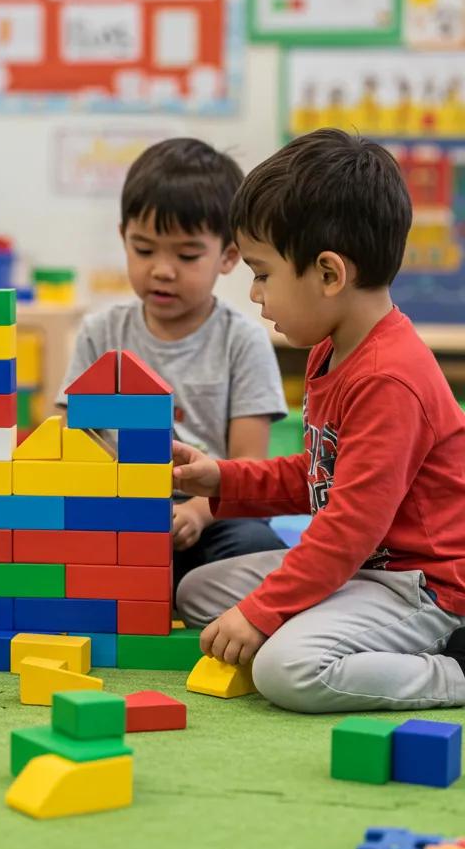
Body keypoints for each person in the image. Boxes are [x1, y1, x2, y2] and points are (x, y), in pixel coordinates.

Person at [174, 129, 465, 713]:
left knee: (288, 669)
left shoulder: (390, 378)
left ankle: (452, 671)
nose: (255, 294)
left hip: (423, 586)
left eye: (262, 273)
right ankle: (329, 628)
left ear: (329, 274)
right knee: (199, 591)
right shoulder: (330, 350)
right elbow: (319, 475)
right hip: (361, 568)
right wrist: (223, 480)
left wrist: (264, 613)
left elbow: (349, 527)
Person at [57, 137, 288, 586]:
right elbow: (69, 437)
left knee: (256, 550)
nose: (162, 269)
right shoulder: (100, 333)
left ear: (228, 256)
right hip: (118, 512)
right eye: (144, 250)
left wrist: (197, 513)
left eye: (186, 255)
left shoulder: (241, 341)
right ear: (123, 236)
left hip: (214, 515)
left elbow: (248, 466)